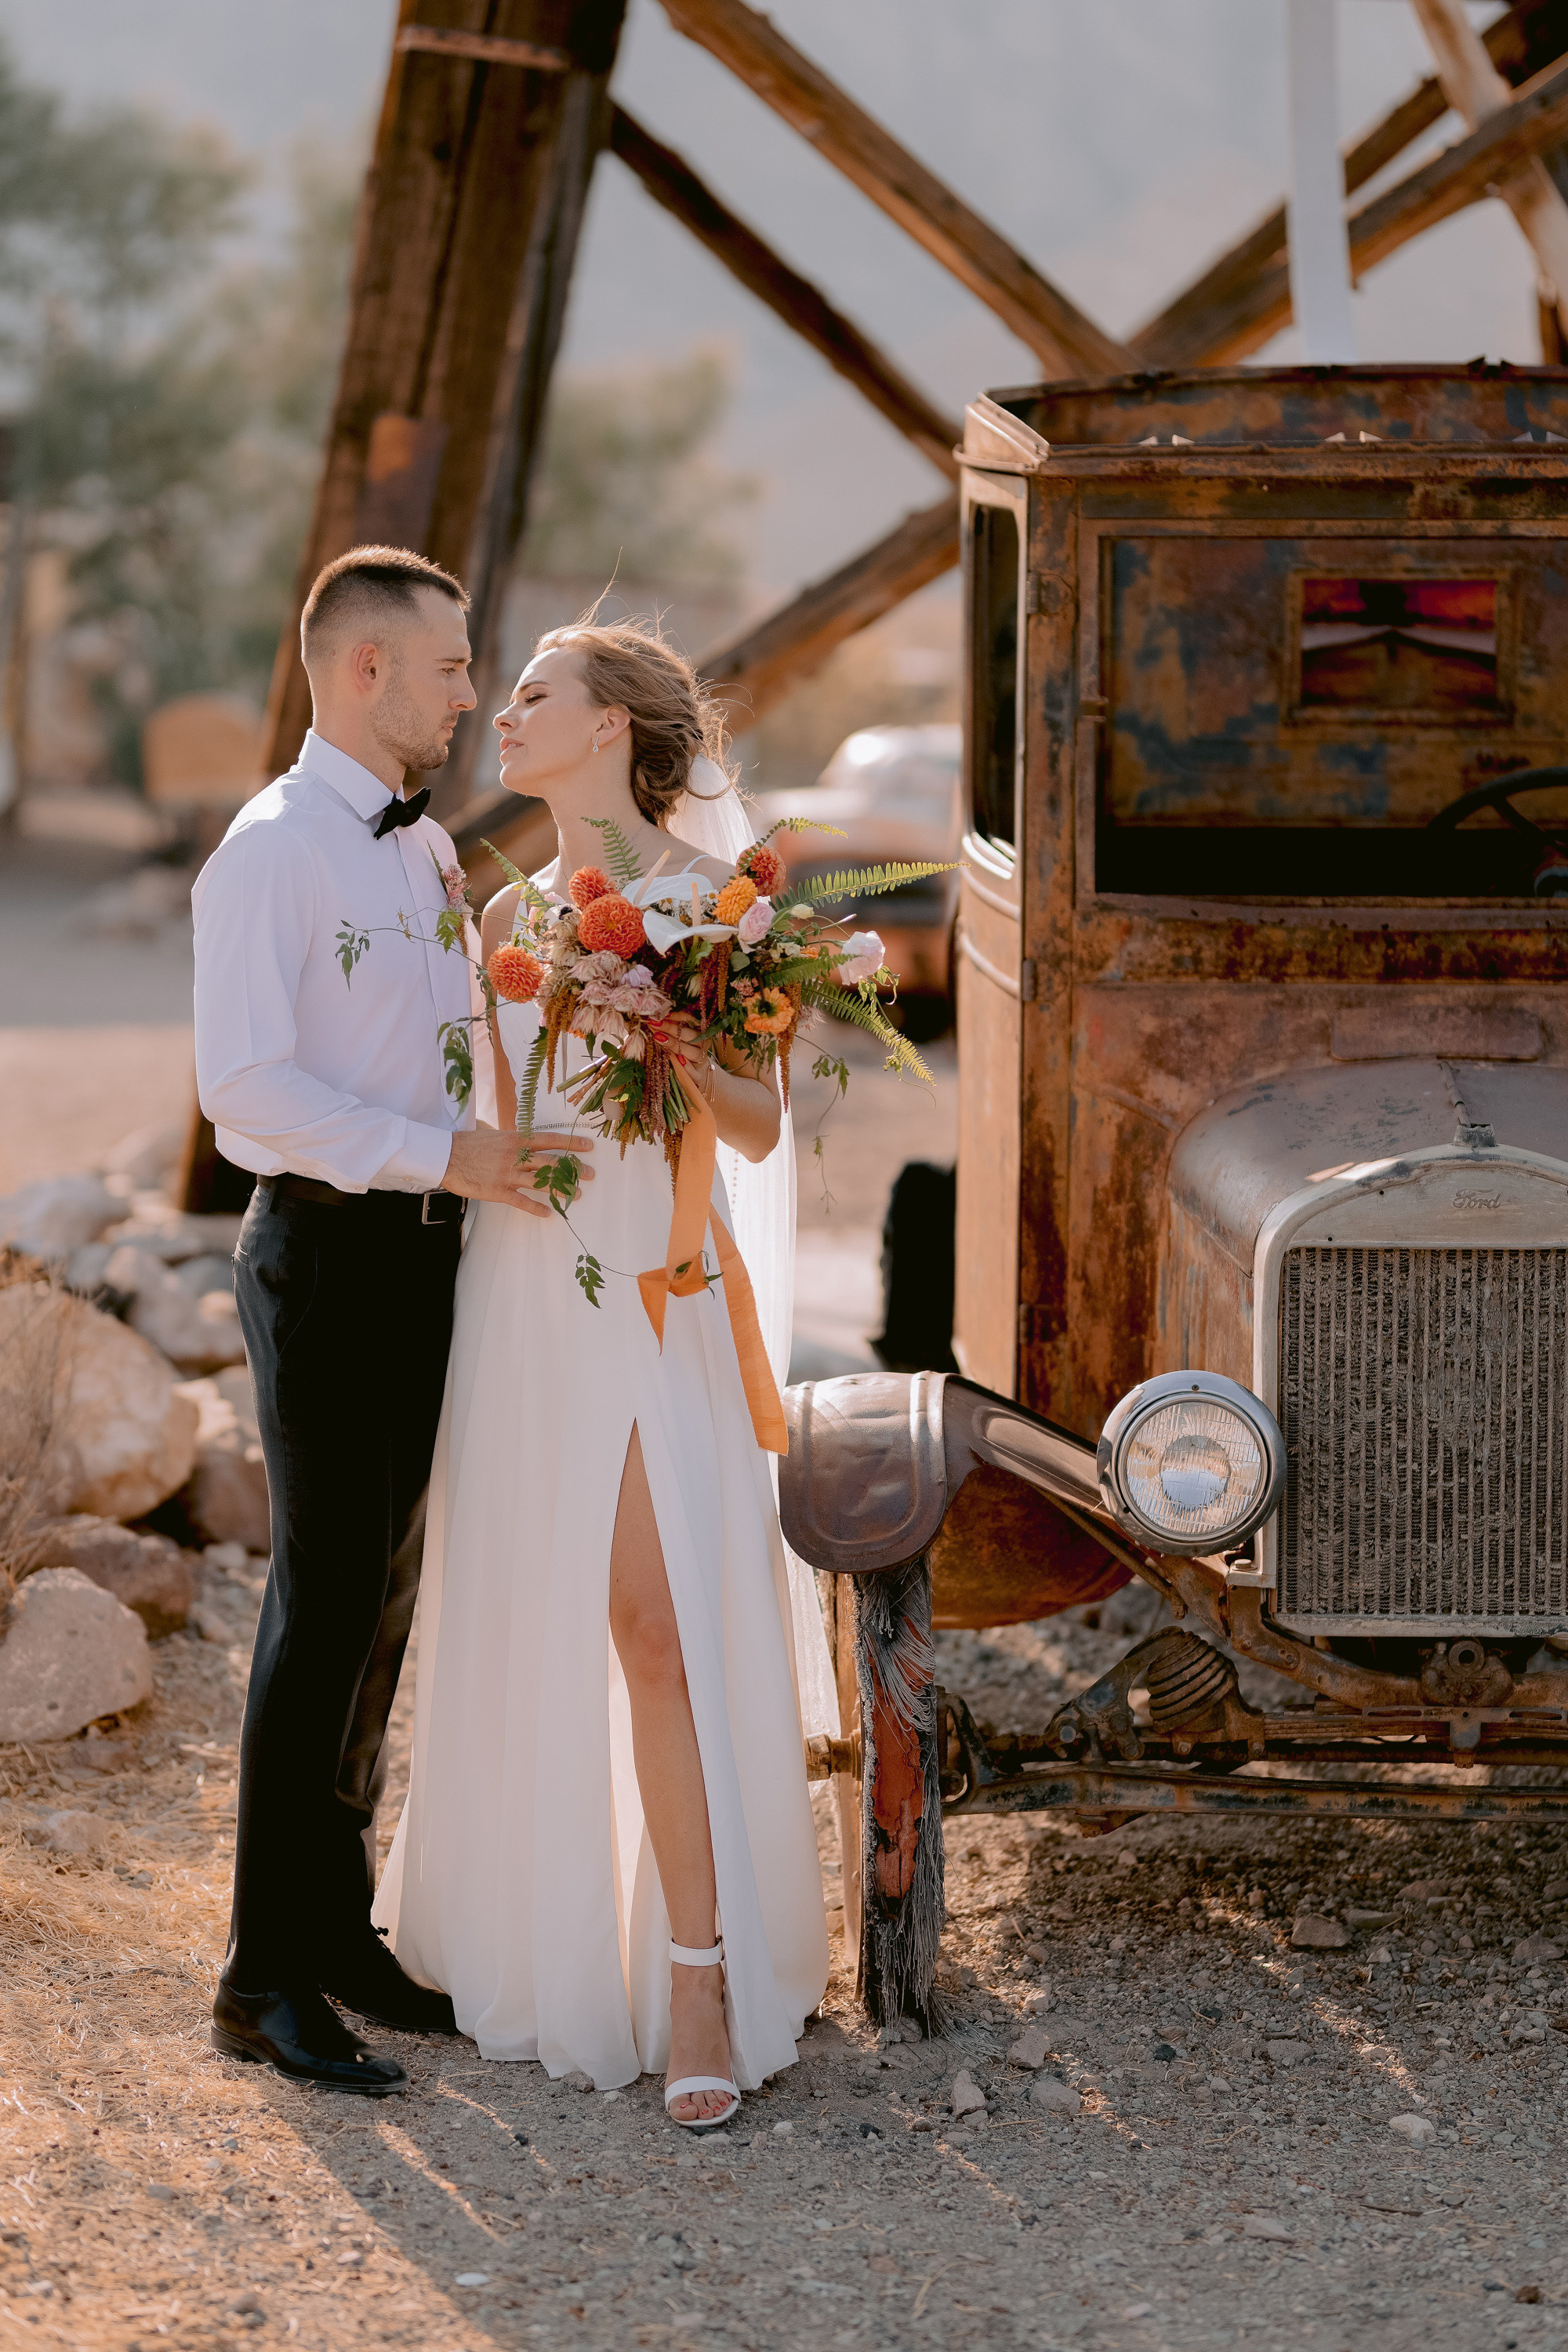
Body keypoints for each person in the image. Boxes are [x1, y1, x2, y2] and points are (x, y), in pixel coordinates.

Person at [373, 618, 830, 2128]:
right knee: (523, 1610)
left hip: (653, 1287)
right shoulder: (495, 907)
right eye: (499, 693)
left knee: (652, 1620)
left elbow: (761, 1130)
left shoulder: (716, 904)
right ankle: (532, 1933)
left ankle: (699, 1969)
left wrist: (672, 1026)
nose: (501, 711)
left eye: (531, 694)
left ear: (616, 725)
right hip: (526, 1290)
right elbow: (489, 1107)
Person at [192, 545, 593, 2098]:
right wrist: (449, 1159)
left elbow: (455, 1038)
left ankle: (336, 1926)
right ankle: (257, 1974)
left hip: (431, 1259)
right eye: (446, 667)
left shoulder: (423, 856)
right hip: (327, 1254)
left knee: (388, 1599)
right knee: (320, 1605)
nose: (469, 694)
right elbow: (245, 1094)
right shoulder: (271, 851)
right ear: (361, 671)